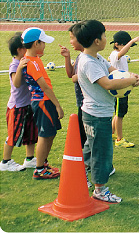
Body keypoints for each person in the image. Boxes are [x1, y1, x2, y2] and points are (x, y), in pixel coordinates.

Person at [75, 19, 139, 203]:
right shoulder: (88, 62)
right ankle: (100, 189)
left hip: (96, 113)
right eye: (104, 36)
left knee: (90, 147)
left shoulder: (96, 57)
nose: (106, 39)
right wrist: (129, 81)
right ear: (97, 40)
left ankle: (83, 176)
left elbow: (112, 71)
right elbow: (108, 83)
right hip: (97, 115)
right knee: (101, 152)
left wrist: (130, 76)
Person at [21, 27, 64, 180]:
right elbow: (44, 86)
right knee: (44, 135)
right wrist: (58, 105)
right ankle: (39, 169)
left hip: (44, 101)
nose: (45, 45)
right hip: (42, 102)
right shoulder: (32, 62)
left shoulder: (34, 59)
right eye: (43, 43)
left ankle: (43, 164)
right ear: (35, 43)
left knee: (50, 133)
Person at [1, 34, 37, 172]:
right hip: (17, 106)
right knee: (14, 134)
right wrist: (20, 68)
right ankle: (6, 161)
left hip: (28, 104)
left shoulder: (25, 60)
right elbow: (16, 84)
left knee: (31, 133)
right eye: (25, 46)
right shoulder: (15, 64)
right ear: (19, 49)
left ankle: (29, 159)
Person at [109, 31, 139, 148]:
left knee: (120, 112)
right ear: (117, 44)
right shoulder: (115, 55)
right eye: (126, 45)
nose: (128, 49)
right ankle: (120, 139)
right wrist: (132, 40)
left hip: (123, 89)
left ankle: (112, 133)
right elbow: (122, 52)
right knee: (119, 114)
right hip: (119, 90)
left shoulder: (121, 57)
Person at [59, 24, 87, 148]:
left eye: (72, 38)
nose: (70, 41)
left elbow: (76, 77)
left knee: (86, 136)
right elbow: (71, 74)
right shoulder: (80, 56)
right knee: (82, 134)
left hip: (87, 102)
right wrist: (67, 57)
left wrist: (77, 77)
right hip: (81, 102)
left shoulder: (86, 58)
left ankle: (87, 163)